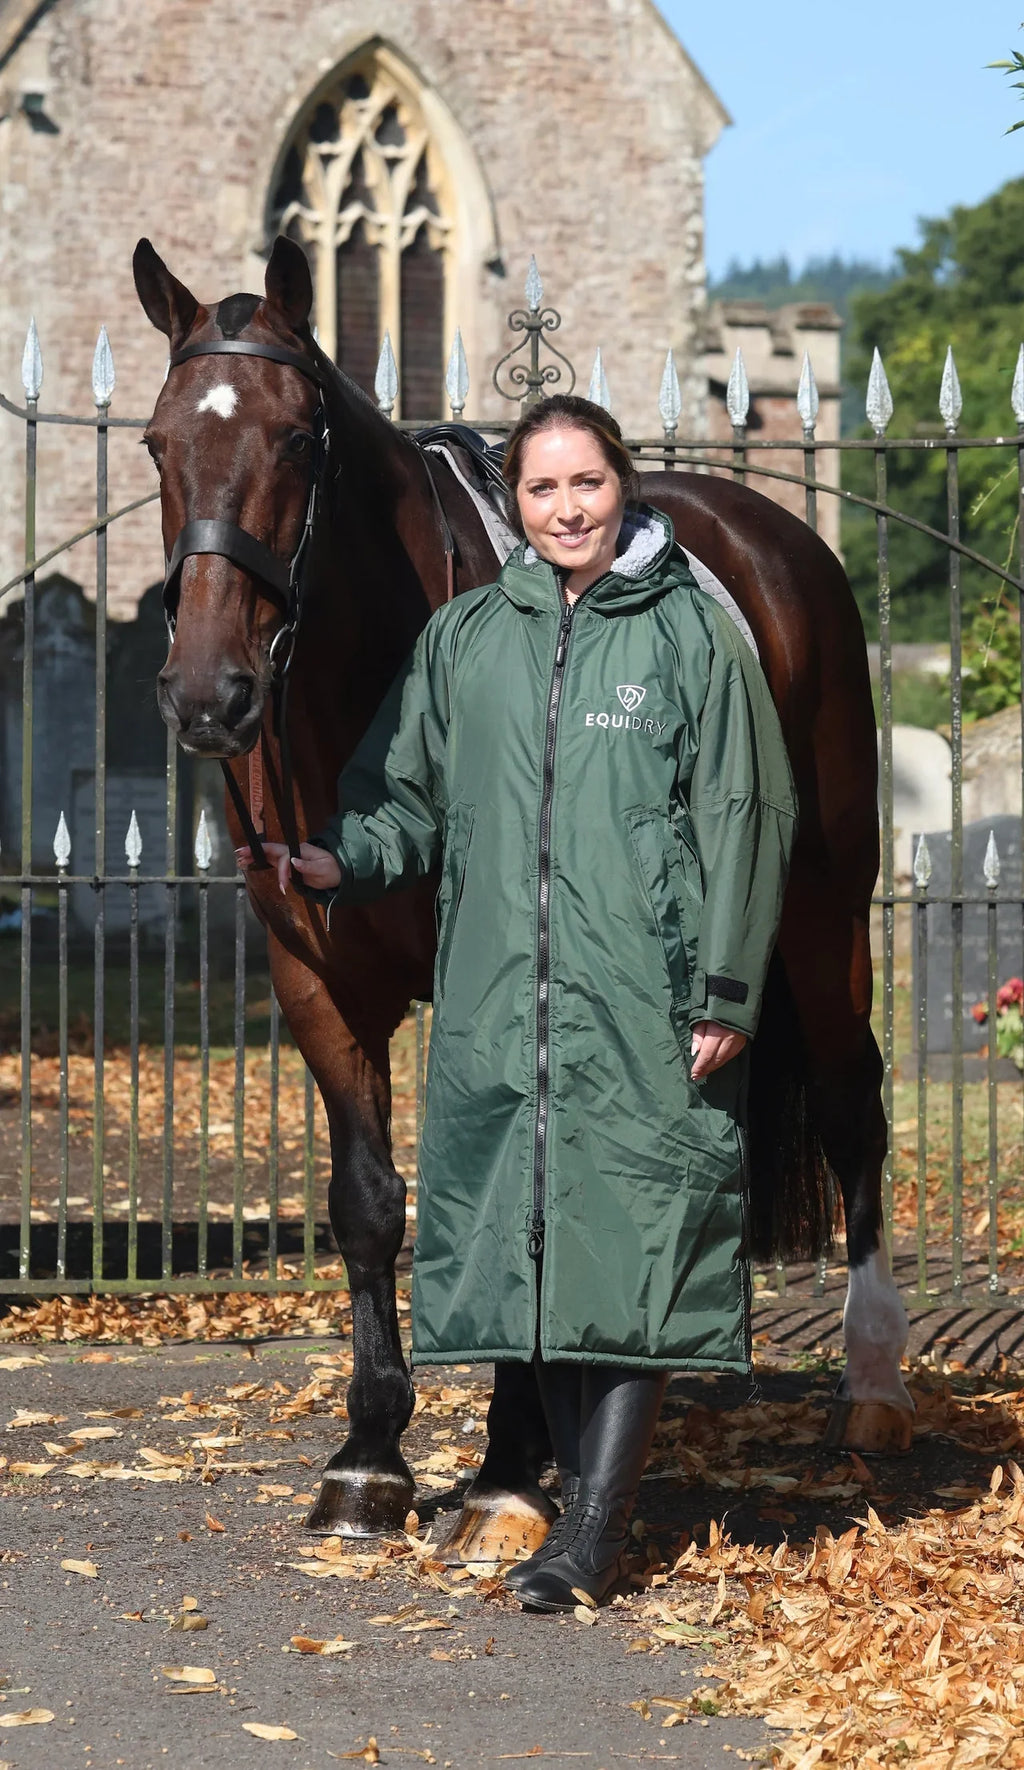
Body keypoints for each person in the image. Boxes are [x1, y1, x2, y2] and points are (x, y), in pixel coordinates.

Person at [239, 395, 797, 1612]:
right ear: (514, 500)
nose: (565, 510)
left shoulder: (691, 637)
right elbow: (409, 799)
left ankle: (590, 1535)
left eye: (585, 484)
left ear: (621, 485)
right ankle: (574, 1514)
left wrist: (727, 989)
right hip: (506, 1000)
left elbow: (748, 817)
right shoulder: (467, 640)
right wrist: (344, 857)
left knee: (634, 1251)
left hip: (646, 998)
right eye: (541, 491)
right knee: (535, 1248)